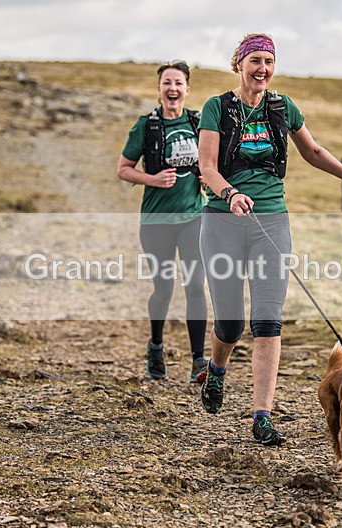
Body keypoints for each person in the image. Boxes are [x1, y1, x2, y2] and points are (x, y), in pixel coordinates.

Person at [196, 34, 342, 445]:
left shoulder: (283, 107)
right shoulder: (216, 108)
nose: (263, 69)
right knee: (230, 322)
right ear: (239, 64)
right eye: (255, 60)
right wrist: (230, 193)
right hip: (222, 221)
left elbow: (312, 152)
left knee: (267, 321)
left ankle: (262, 417)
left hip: (271, 223)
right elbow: (206, 167)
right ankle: (217, 371)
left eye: (269, 61)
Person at [117, 60, 208, 382]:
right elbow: (123, 168)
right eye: (167, 83)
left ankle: (199, 360)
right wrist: (152, 179)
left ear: (187, 89)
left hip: (193, 218)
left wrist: (208, 181)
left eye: (178, 83)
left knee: (196, 285)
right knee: (164, 288)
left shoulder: (200, 123)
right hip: (156, 222)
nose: (173, 88)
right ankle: (156, 345)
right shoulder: (146, 125)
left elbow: (212, 165)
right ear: (159, 90)